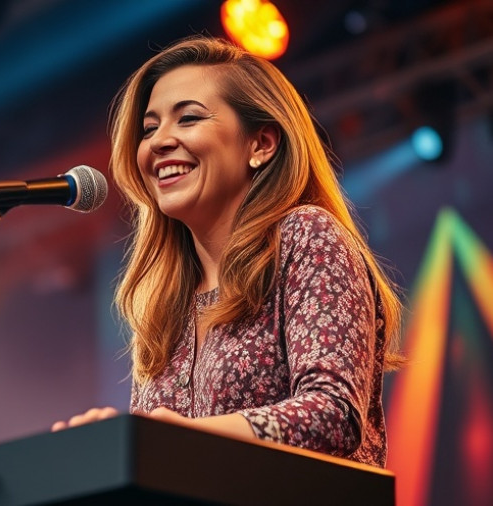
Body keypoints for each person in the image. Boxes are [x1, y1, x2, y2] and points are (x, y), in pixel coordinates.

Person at [51, 36, 402, 468]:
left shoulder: (304, 235)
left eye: (188, 118)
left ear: (261, 144)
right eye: (149, 128)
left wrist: (175, 438)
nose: (159, 141)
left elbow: (333, 415)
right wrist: (113, 447)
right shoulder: (166, 302)